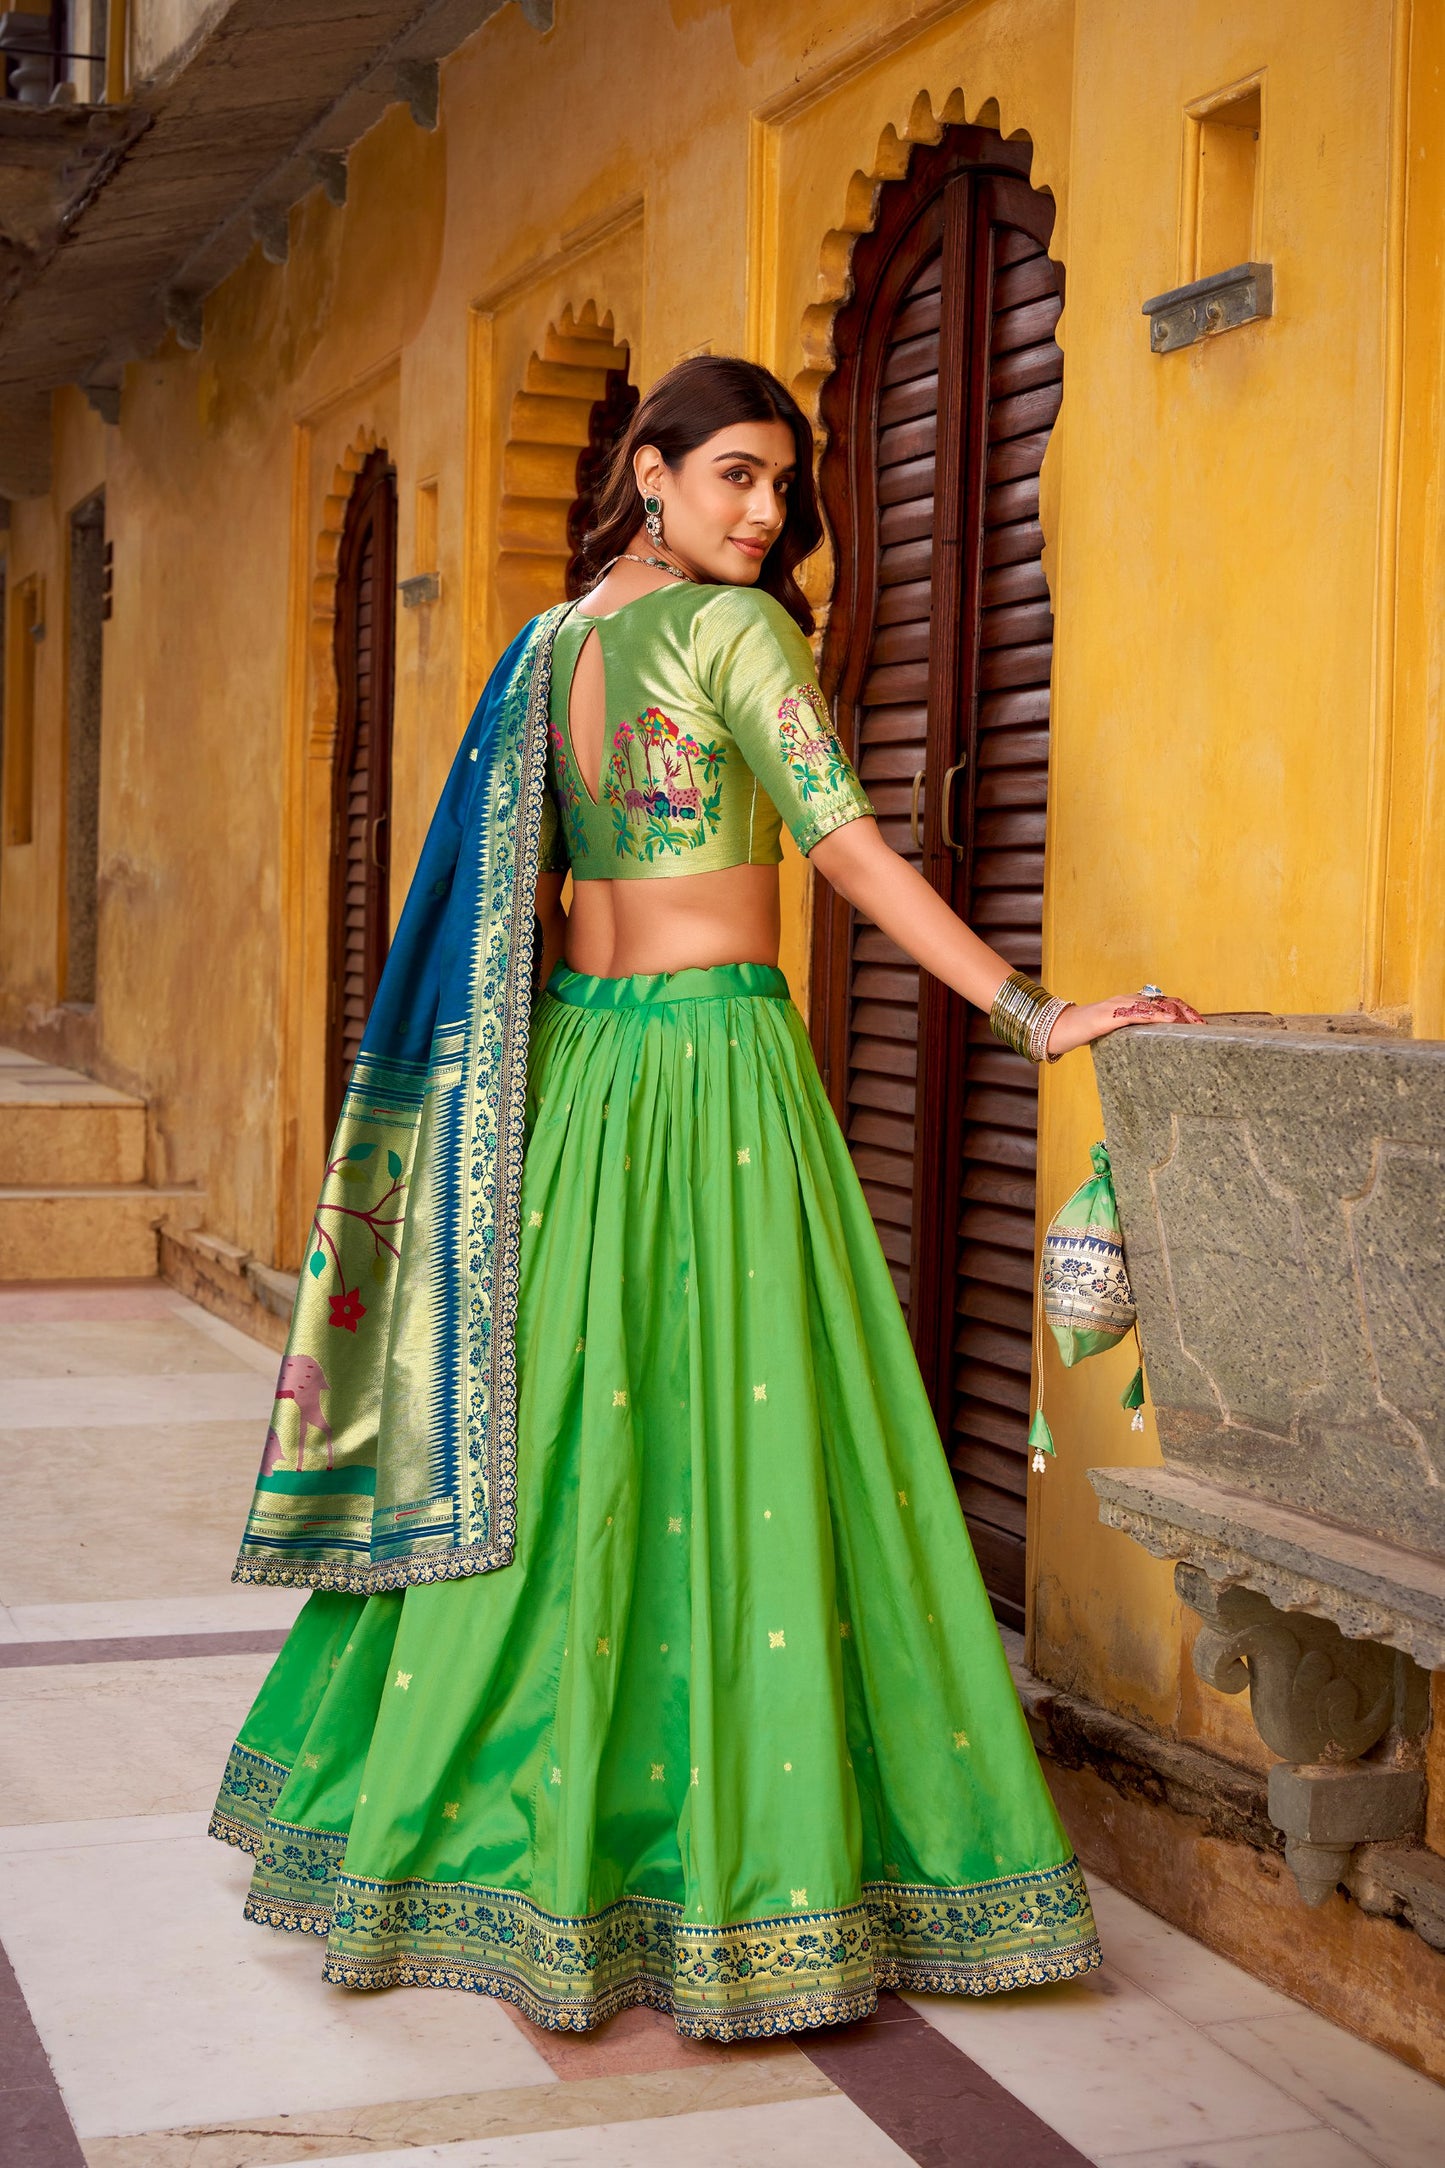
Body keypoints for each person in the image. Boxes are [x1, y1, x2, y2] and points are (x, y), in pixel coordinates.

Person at [211, 355, 1202, 2041]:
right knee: (741, 1445)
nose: (764, 512)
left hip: (579, 1076)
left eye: (782, 487)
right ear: (649, 474)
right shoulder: (732, 635)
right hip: (712, 1074)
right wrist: (1036, 1016)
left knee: (570, 1441)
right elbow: (846, 846)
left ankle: (480, 1846)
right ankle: (728, 1868)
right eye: (734, 474)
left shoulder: (555, 643)